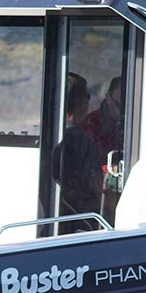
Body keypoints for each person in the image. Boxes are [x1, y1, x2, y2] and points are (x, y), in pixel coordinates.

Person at [52, 72, 102, 232]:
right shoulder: (83, 140)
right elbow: (97, 186)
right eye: (87, 96)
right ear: (79, 102)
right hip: (78, 219)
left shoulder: (46, 135)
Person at [82, 76, 124, 167]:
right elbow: (86, 167)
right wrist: (111, 169)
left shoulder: (135, 125)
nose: (123, 111)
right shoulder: (91, 125)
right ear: (108, 98)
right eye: (119, 105)